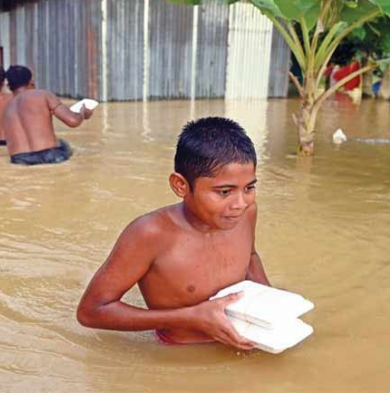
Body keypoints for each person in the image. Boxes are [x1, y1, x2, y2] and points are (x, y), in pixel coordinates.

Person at [77, 117, 270, 350]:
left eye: (249, 188)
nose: (240, 203)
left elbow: (249, 256)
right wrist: (188, 317)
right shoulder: (150, 233)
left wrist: (270, 303)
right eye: (225, 191)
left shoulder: (246, 213)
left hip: (246, 342)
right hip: (180, 355)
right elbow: (90, 312)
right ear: (180, 185)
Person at [2, 65, 94, 165]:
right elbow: (73, 121)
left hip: (20, 159)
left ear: (9, 86)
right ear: (31, 81)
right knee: (63, 143)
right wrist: (83, 112)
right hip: (50, 154)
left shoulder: (6, 108)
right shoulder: (43, 95)